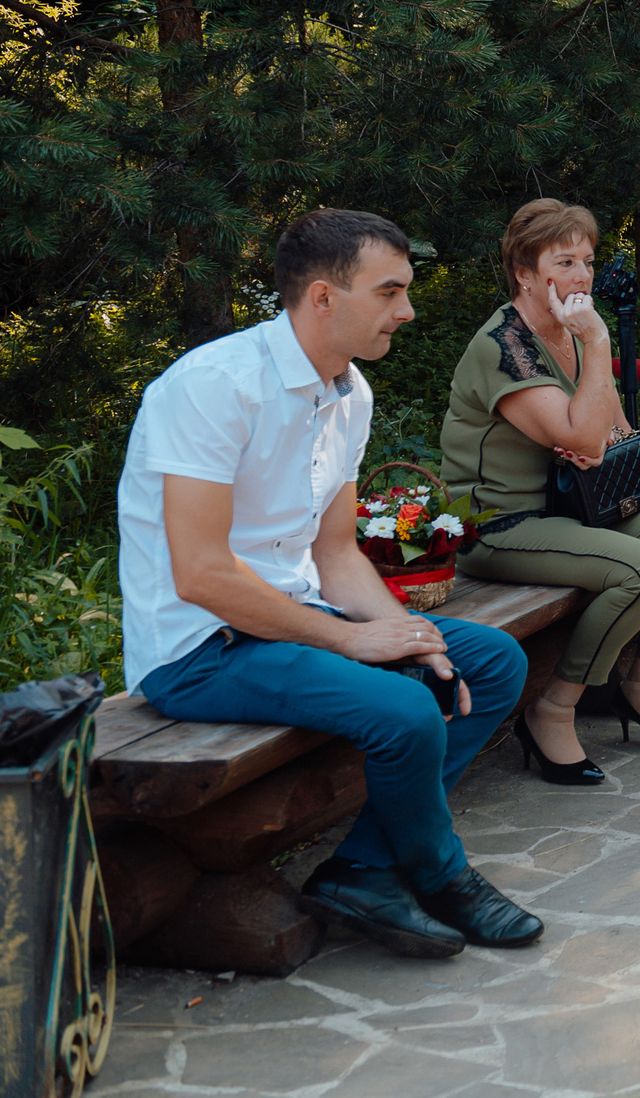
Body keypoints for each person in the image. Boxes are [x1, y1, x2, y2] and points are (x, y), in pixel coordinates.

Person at [119, 209, 542, 960]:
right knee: (406, 709)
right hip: (199, 649)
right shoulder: (213, 388)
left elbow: (339, 553)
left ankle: (365, 870)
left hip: (289, 620)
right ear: (322, 297)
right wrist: (352, 639)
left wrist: (415, 638)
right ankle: (442, 874)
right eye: (389, 292)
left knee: (486, 663)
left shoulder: (350, 395)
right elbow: (203, 573)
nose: (406, 312)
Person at [443, 200, 640, 783]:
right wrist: (598, 348)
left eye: (588, 261)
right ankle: (553, 708)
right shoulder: (504, 346)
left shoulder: (568, 332)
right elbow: (578, 432)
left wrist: (600, 432)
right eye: (563, 261)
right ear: (524, 272)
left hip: (578, 506)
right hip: (501, 525)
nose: (581, 277)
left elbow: (610, 430)